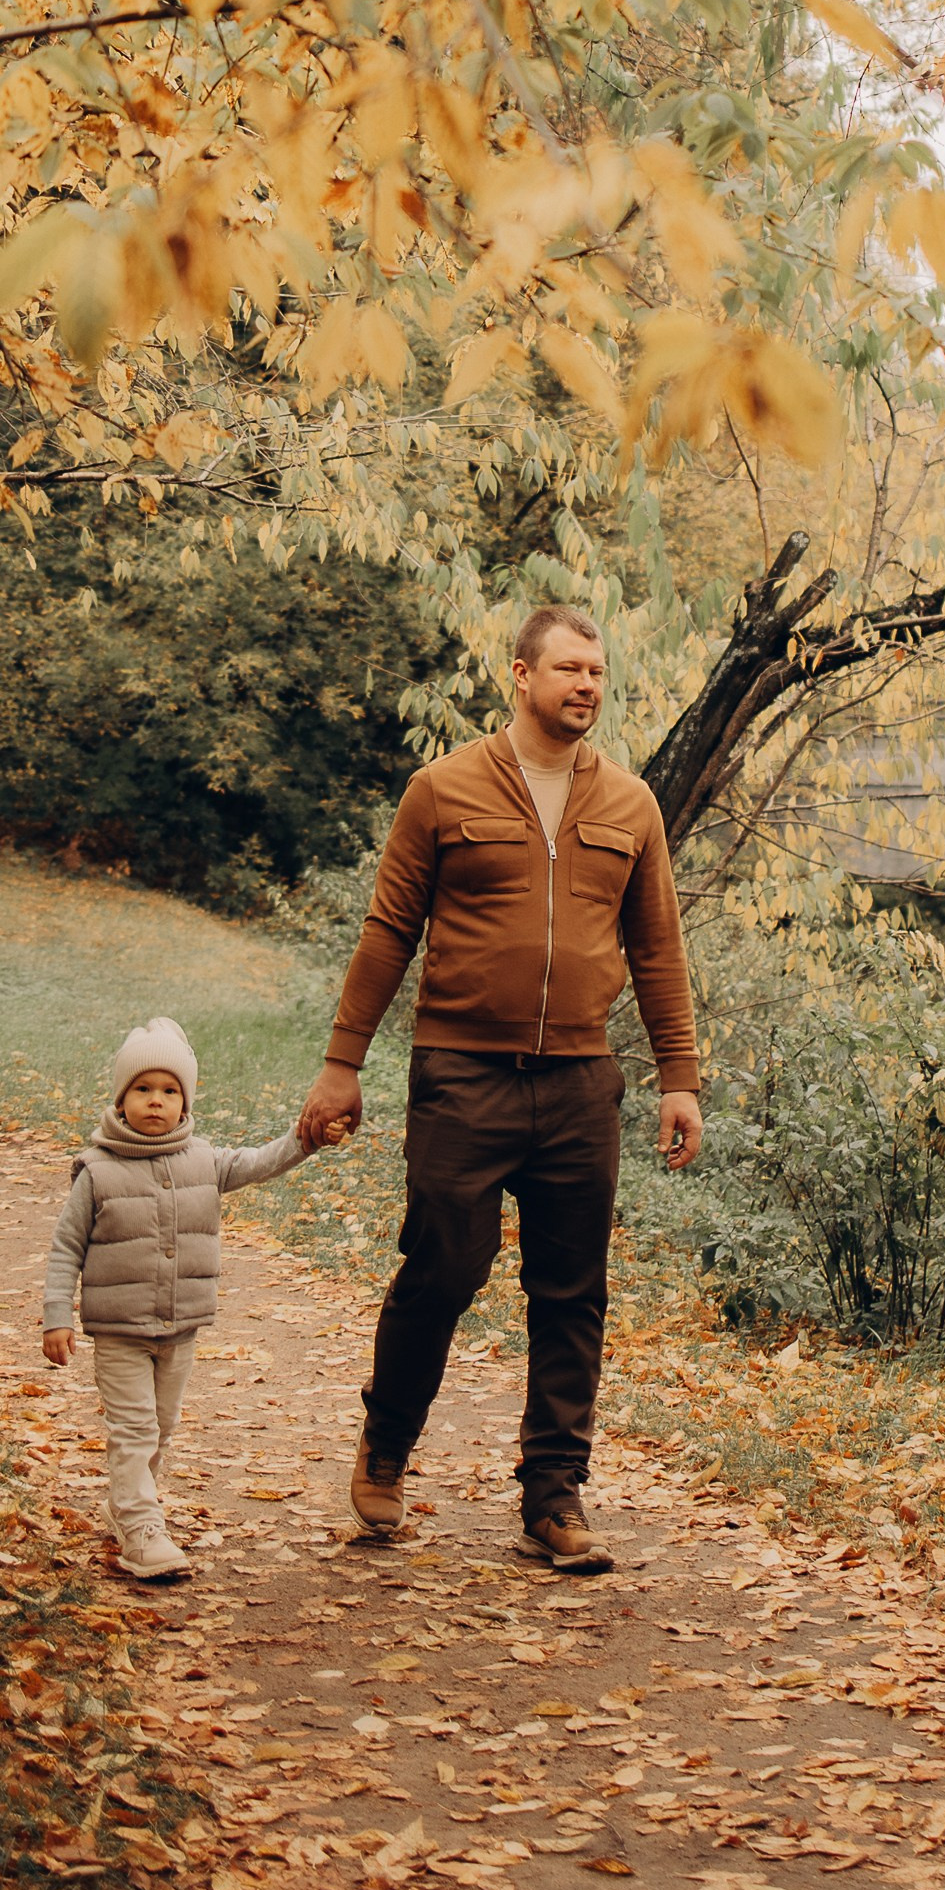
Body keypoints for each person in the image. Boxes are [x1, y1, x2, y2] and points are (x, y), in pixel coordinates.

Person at [296, 606, 703, 1573]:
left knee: (572, 1293)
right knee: (443, 1268)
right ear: (518, 676)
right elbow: (389, 929)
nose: (587, 686)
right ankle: (386, 1448)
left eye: (598, 672)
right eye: (568, 669)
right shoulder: (442, 789)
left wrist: (677, 1077)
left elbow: (656, 947)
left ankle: (553, 1499)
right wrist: (342, 1061)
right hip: (461, 1074)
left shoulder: (631, 805)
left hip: (578, 1084)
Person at [43, 1015, 330, 1585]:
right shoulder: (97, 1171)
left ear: (186, 1100)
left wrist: (306, 1139)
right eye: (143, 1089)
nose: (156, 1102)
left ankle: (130, 1507)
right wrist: (57, 1315)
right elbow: (65, 1246)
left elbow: (257, 1162)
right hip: (120, 1330)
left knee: (162, 1425)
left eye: (170, 1091)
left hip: (181, 1328)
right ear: (121, 1099)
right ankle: (142, 1528)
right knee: (136, 1427)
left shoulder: (203, 1160)